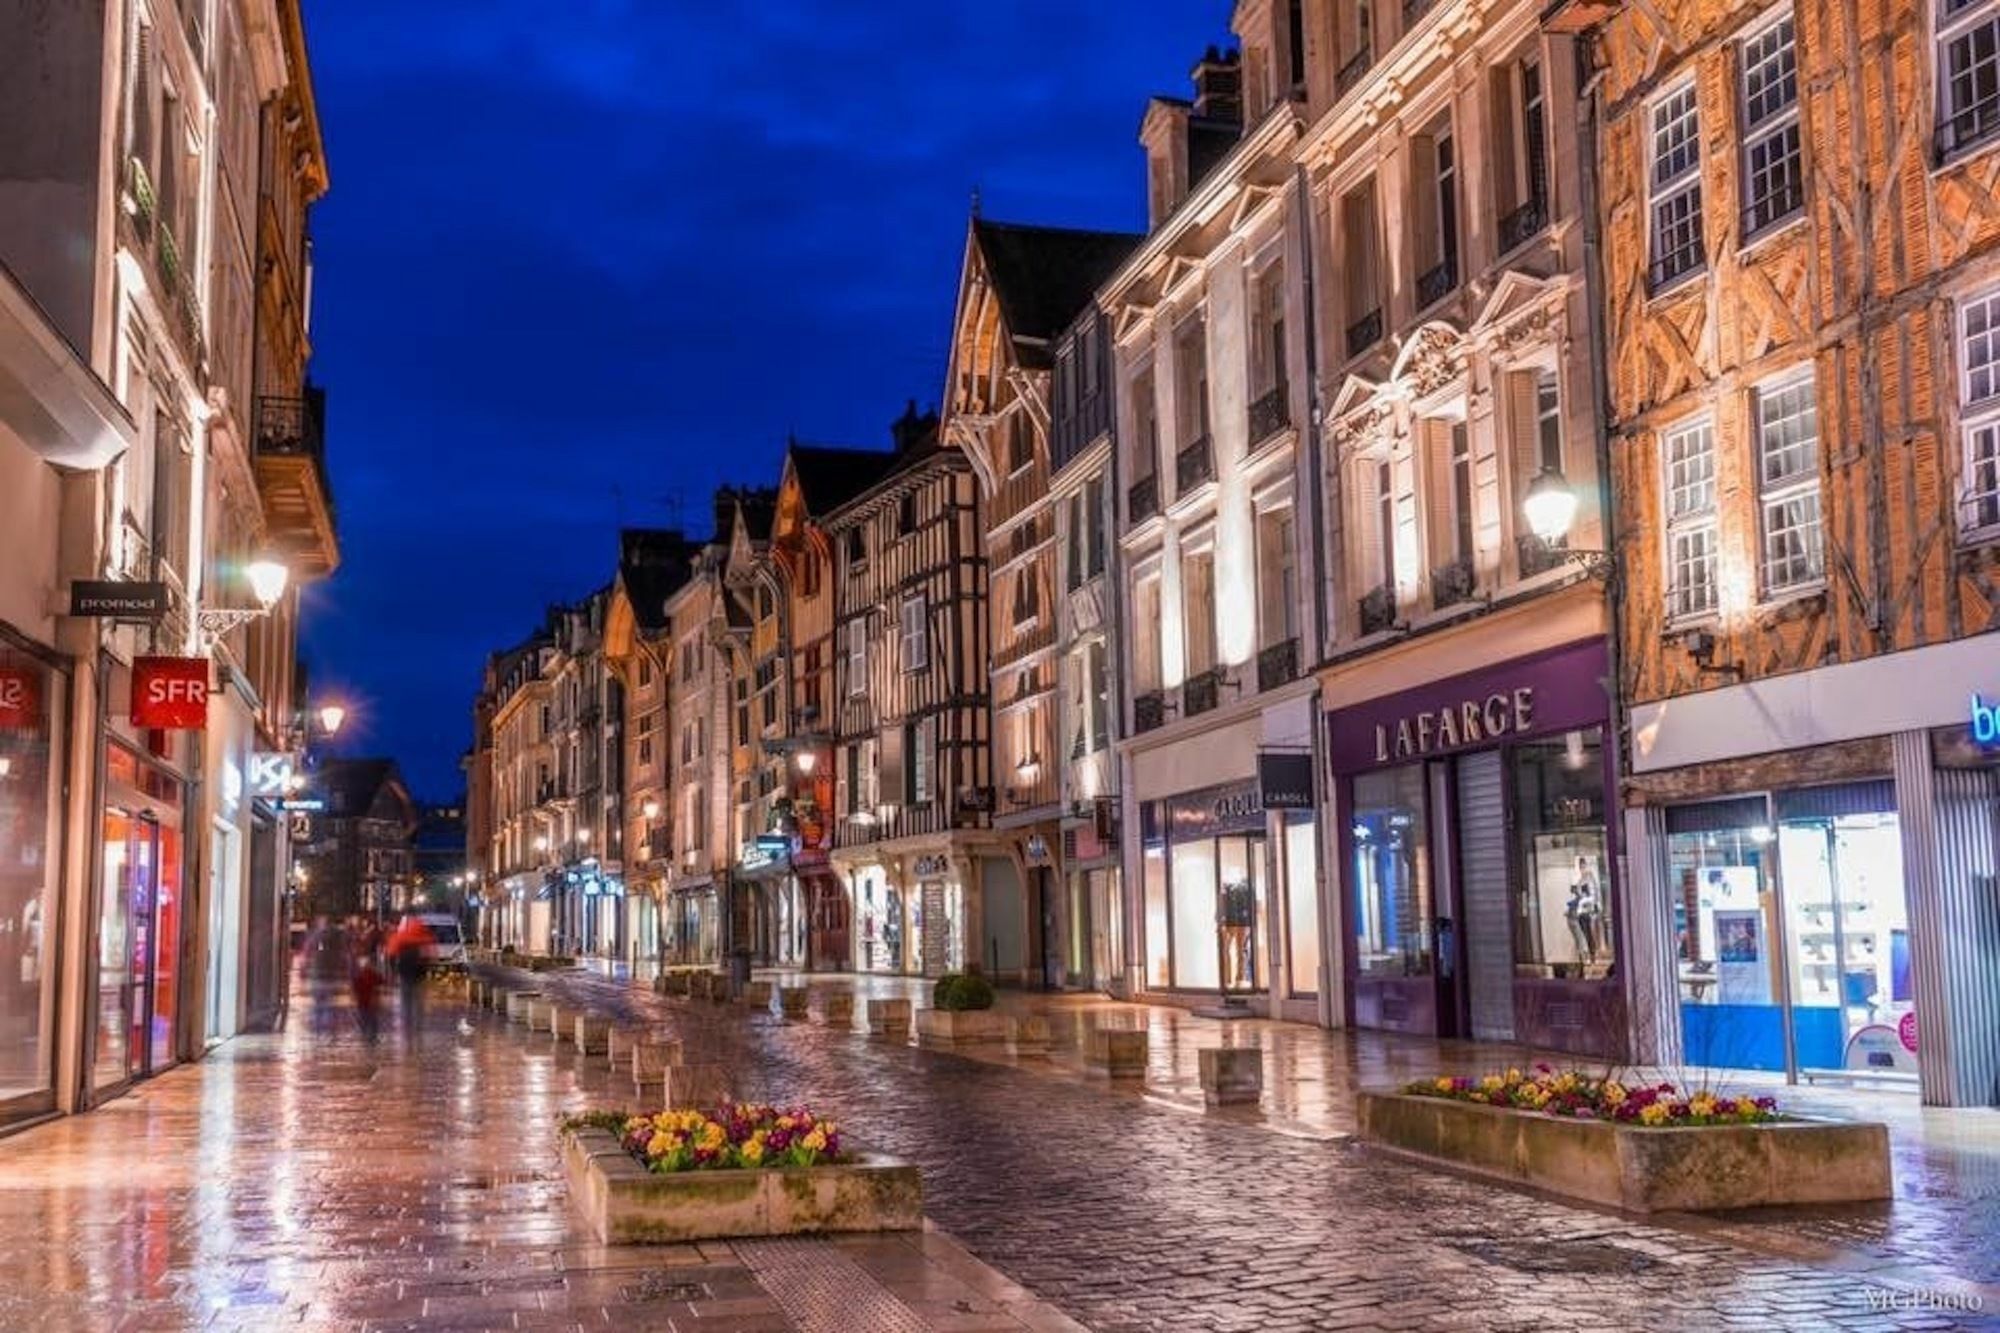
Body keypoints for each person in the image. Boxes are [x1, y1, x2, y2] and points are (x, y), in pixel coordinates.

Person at [384, 914, 435, 1041]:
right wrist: (428, 967)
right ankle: (417, 1026)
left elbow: (391, 955)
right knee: (419, 1001)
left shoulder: (400, 939)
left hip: (405, 974)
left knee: (406, 1001)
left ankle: (408, 1025)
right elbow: (430, 956)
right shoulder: (424, 940)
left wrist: (393, 971)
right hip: (419, 974)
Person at [300, 915, 350, 1034]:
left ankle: (318, 1028)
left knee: (318, 1003)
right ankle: (328, 1028)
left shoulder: (316, 936)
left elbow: (306, 953)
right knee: (329, 1003)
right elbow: (345, 955)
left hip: (317, 974)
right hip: (332, 974)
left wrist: (304, 969)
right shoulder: (338, 938)